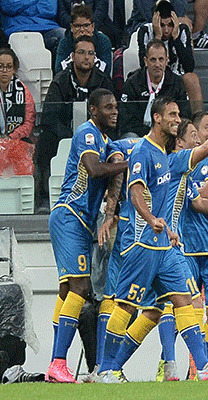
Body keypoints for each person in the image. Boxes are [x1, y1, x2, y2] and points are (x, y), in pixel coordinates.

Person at [97, 95, 208, 383]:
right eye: (173, 115)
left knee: (183, 300)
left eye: (179, 115)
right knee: (127, 305)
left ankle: (202, 366)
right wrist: (151, 220)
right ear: (157, 118)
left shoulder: (168, 159)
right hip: (143, 245)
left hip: (164, 246)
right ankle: (105, 369)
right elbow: (135, 191)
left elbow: (206, 148)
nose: (177, 119)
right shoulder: (143, 151)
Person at [45, 89, 129, 383]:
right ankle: (57, 362)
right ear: (93, 110)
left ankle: (57, 364)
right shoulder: (87, 132)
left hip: (78, 223)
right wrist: (128, 164)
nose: (114, 111)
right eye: (108, 107)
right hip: (70, 215)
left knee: (68, 291)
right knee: (81, 289)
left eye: (116, 106)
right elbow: (94, 170)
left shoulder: (107, 141)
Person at [34, 35, 116, 213]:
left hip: (97, 138)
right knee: (44, 139)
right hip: (65, 134)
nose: (86, 57)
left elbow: (114, 116)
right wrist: (71, 135)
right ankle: (43, 197)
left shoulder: (104, 82)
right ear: (72, 56)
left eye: (90, 53)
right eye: (81, 52)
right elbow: (49, 116)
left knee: (116, 142)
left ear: (95, 58)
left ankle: (111, 195)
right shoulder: (60, 81)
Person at [137, 0, 203, 113]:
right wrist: (157, 37)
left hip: (176, 78)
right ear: (155, 22)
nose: (166, 30)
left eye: (170, 25)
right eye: (162, 25)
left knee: (192, 78)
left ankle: (197, 119)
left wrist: (176, 37)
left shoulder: (181, 30)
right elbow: (144, 65)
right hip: (153, 77)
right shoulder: (145, 31)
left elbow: (189, 66)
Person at [118, 39, 191, 138]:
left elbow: (185, 115)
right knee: (129, 136)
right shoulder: (132, 83)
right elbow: (126, 120)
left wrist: (165, 131)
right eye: (153, 60)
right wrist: (152, 133)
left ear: (167, 60)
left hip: (169, 134)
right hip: (139, 135)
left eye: (161, 59)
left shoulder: (177, 82)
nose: (157, 64)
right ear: (146, 61)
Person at [126, 0, 208, 49]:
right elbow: (149, 16)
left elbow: (180, 11)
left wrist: (178, 20)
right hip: (143, 24)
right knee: (180, 24)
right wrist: (176, 20)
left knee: (184, 24)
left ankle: (195, 36)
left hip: (169, 23)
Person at [0, 48, 36, 176]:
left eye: (9, 67)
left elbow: (29, 122)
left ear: (14, 69)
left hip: (17, 140)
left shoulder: (22, 90)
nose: (4, 71)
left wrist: (10, 138)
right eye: (1, 66)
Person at [55, 3, 113, 77]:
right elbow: (59, 71)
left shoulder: (104, 41)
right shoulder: (65, 42)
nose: (82, 30)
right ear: (72, 27)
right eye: (77, 26)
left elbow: (106, 72)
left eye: (86, 26)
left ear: (92, 26)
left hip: (98, 85)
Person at [0, 0, 65, 56]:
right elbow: (9, 7)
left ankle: (62, 69)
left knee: (64, 35)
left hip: (47, 26)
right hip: (18, 27)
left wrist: (22, 8)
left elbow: (49, 10)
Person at [57, 0, 123, 49]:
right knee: (66, 39)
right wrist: (77, 26)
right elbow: (62, 15)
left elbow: (100, 12)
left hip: (97, 24)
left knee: (107, 36)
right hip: (73, 26)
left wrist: (88, 27)